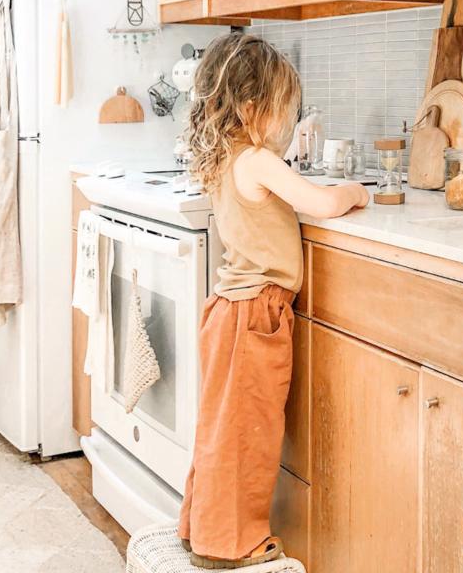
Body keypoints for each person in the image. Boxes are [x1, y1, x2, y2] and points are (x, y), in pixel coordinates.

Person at [179, 33, 369, 568]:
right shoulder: (257, 159)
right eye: (282, 113)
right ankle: (232, 544)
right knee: (250, 433)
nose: (285, 127)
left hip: (227, 311)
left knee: (222, 427)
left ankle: (203, 527)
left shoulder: (223, 156)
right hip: (255, 311)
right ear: (251, 108)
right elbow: (323, 203)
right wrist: (354, 191)